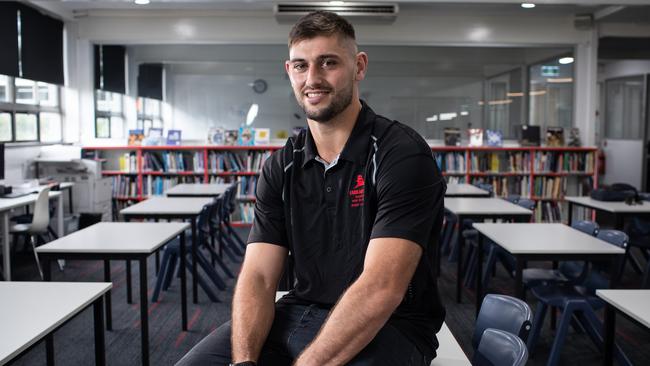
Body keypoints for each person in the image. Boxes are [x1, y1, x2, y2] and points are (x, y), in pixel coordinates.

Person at [177, 10, 445, 366]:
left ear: (359, 66)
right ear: (289, 72)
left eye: (328, 62)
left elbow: (382, 288)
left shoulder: (402, 156)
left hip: (391, 327)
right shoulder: (280, 166)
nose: (313, 78)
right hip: (295, 313)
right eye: (301, 66)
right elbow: (258, 276)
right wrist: (243, 363)